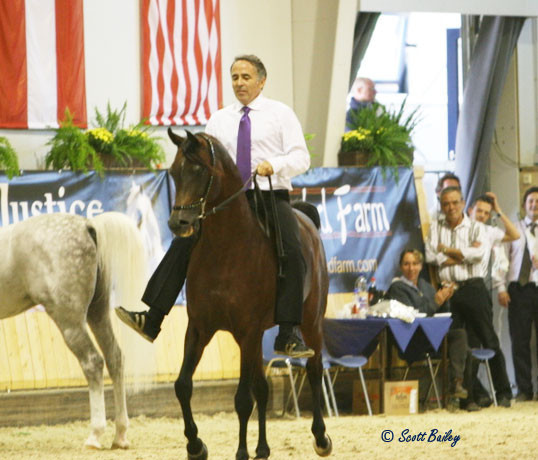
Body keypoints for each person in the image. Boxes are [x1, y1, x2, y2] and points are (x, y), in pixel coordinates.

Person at [116, 54, 314, 359]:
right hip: (229, 203)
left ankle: (288, 332)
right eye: (234, 77)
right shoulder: (220, 119)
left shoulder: (280, 114)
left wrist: (273, 164)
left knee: (291, 249)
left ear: (262, 81)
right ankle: (152, 318)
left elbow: (302, 158)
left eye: (245, 77)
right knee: (184, 243)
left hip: (270, 195)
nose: (239, 83)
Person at [425, 186, 513, 407]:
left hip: (474, 288)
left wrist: (445, 251)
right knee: (460, 344)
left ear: (463, 203)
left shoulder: (476, 227)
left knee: (488, 338)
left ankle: (503, 392)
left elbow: (479, 254)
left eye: (455, 202)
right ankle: (469, 398)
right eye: (446, 204)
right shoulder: (436, 228)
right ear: (442, 206)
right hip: (449, 291)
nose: (451, 207)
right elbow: (430, 255)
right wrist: (460, 255)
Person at [386, 249, 477, 409]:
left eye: (415, 264)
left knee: (464, 344)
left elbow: (441, 314)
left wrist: (445, 300)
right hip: (413, 340)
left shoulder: (426, 286)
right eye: (406, 264)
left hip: (432, 336)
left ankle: (460, 392)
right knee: (462, 343)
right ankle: (461, 396)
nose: (411, 268)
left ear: (421, 266)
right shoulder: (397, 288)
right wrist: (436, 301)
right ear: (401, 267)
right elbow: (411, 315)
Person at [498, 186, 538, 401]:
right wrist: (501, 288)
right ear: (524, 206)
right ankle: (524, 389)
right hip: (518, 290)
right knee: (520, 341)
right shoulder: (513, 229)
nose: (534, 205)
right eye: (531, 201)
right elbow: (501, 260)